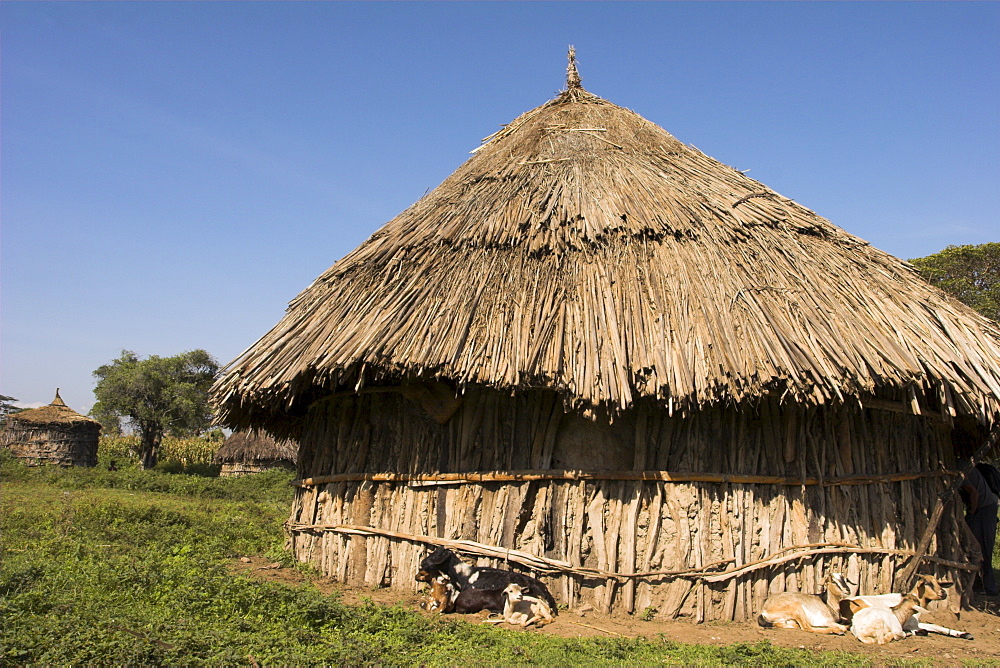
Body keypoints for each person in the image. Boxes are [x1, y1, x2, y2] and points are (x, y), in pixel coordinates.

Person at [953, 428, 999, 596]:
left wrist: (971, 512)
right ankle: (979, 583)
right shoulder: (961, 463)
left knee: (982, 546)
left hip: (984, 509)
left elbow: (974, 493)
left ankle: (989, 587)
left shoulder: (957, 467)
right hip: (984, 507)